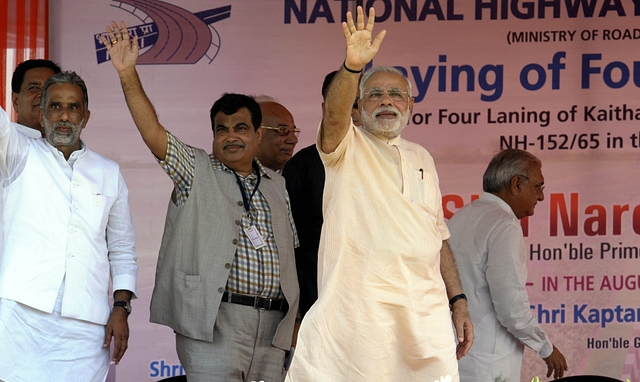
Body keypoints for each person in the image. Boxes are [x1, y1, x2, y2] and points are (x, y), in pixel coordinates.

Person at [102, 21, 300, 382]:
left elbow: (291, 256)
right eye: (221, 129)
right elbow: (152, 133)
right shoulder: (195, 169)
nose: (230, 137)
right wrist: (128, 73)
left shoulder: (276, 185)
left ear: (258, 135)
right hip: (215, 322)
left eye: (240, 128)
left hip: (274, 328)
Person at [286, 7, 472, 381]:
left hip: (424, 314)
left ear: (410, 105)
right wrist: (353, 67)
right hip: (362, 313)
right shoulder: (345, 146)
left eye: (395, 94)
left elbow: (438, 236)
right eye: (374, 95)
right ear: (359, 106)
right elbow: (334, 116)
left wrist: (458, 300)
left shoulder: (422, 157)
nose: (386, 101)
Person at [0, 71, 138, 381]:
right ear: (41, 112)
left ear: (85, 116)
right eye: (55, 106)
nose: (64, 115)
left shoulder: (108, 172)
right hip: (20, 316)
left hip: (86, 325)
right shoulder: (18, 152)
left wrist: (121, 308)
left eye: (73, 107)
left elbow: (122, 249)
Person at [447, 149, 568, 381]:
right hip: (488, 362)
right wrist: (546, 348)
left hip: (456, 355)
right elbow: (511, 308)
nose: (541, 197)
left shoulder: (462, 216)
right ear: (516, 184)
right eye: (538, 187)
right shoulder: (504, 225)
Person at [11, 59, 62, 136]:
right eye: (34, 88)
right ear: (16, 101)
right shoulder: (5, 140)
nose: (43, 94)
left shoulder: (69, 145)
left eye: (50, 88)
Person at [257, 101, 299, 172]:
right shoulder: (234, 178)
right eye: (282, 130)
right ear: (256, 133)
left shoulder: (300, 176)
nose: (294, 140)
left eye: (293, 131)